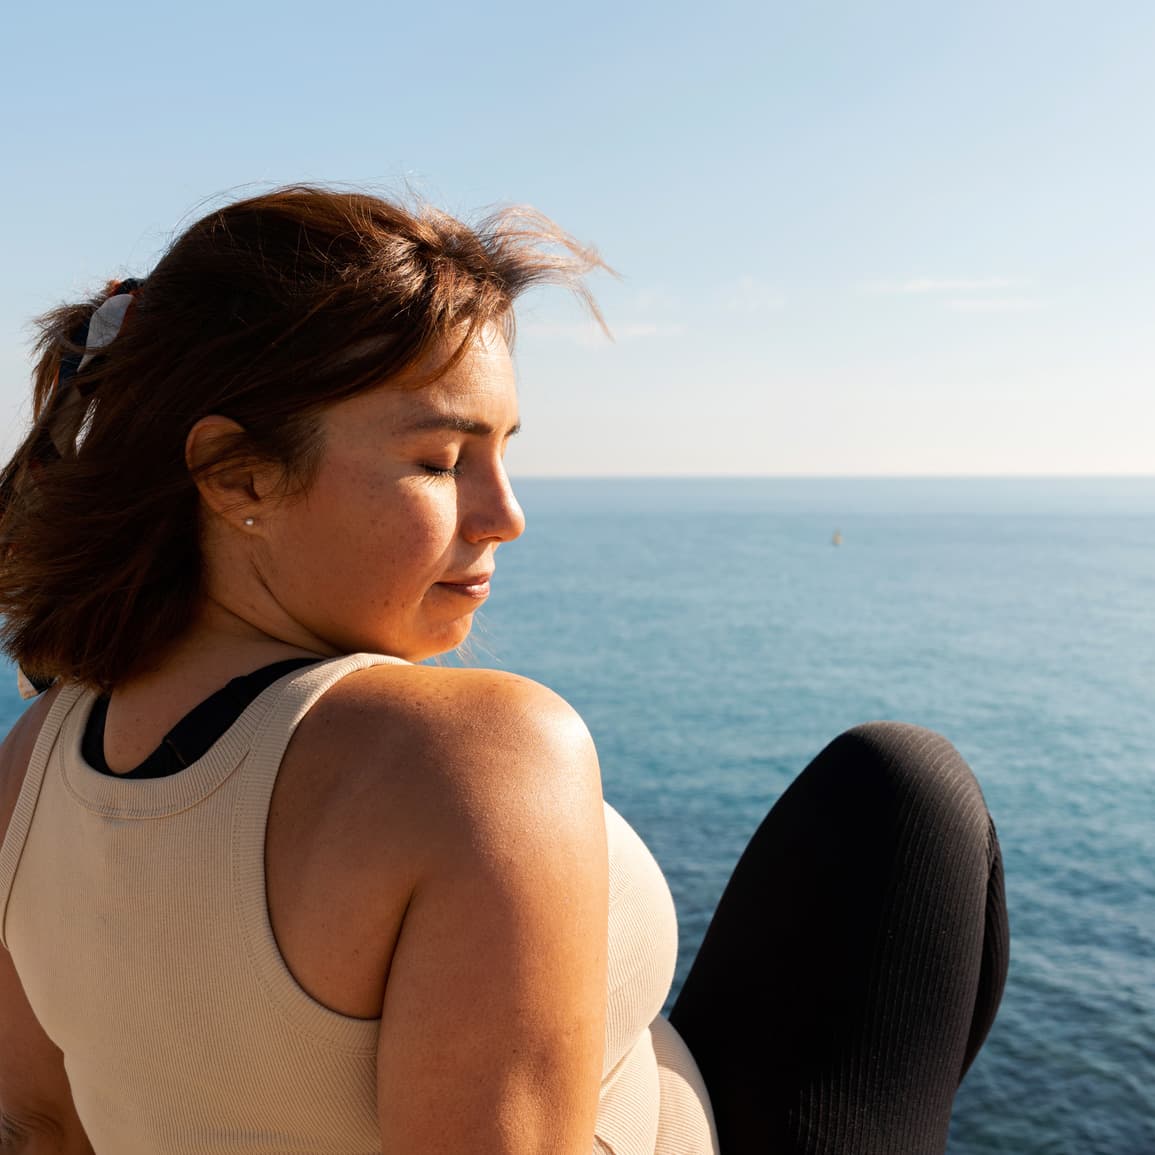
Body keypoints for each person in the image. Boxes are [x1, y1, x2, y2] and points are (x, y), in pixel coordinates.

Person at [0, 187, 1008, 1155]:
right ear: (238, 475)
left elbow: (41, 1129)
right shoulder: (476, 758)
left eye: (503, 453)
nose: (506, 514)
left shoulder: (36, 759)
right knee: (905, 796)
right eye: (442, 460)